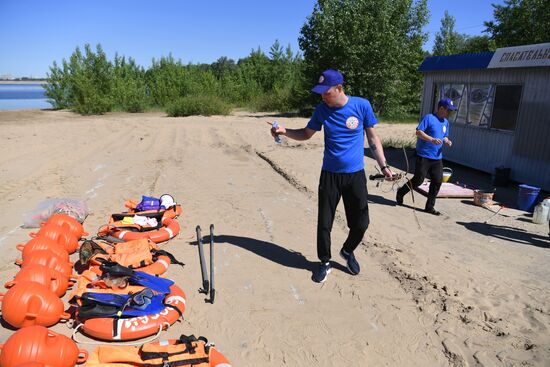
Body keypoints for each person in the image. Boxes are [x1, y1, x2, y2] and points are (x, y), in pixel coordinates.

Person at [270, 69, 393, 283]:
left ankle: (347, 251)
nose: (323, 97)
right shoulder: (321, 110)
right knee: (324, 222)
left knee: (361, 222)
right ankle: (324, 261)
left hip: (355, 176)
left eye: (326, 92)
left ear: (339, 88)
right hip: (330, 176)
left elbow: (373, 140)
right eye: (320, 93)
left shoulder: (361, 105)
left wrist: (384, 166)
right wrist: (284, 131)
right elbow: (306, 134)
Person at [395, 97, 455, 215]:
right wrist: (431, 139)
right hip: (424, 155)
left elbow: (444, 136)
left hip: (437, 158)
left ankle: (429, 207)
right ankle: (401, 192)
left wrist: (447, 141)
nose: (449, 113)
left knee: (437, 181)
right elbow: (418, 132)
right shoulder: (429, 118)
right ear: (441, 108)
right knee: (418, 180)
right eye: (448, 110)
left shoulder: (446, 122)